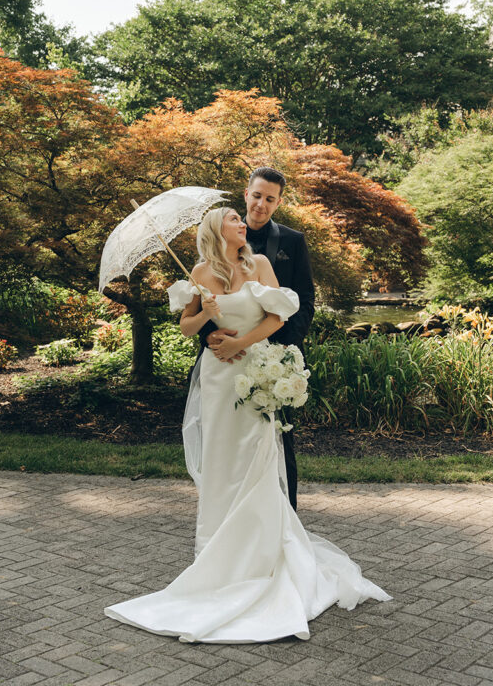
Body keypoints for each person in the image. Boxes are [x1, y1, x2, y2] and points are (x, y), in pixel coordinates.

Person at [104, 206, 390, 644]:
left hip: (252, 370)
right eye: (234, 218)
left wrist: (239, 340)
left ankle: (260, 557)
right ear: (217, 230)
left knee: (256, 459)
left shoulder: (258, 264)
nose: (243, 223)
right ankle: (218, 557)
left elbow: (277, 317)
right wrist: (206, 316)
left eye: (242, 217)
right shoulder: (199, 271)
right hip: (218, 379)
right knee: (221, 462)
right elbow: (186, 327)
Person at [200, 166, 315, 510]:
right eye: (257, 195)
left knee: (279, 440)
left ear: (278, 203)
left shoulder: (292, 242)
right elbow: (204, 296)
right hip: (225, 359)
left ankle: (284, 519)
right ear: (246, 193)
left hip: (272, 357)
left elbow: (304, 300)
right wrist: (211, 336)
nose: (261, 204)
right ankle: (230, 517)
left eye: (270, 199)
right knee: (225, 440)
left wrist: (281, 351)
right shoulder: (219, 239)